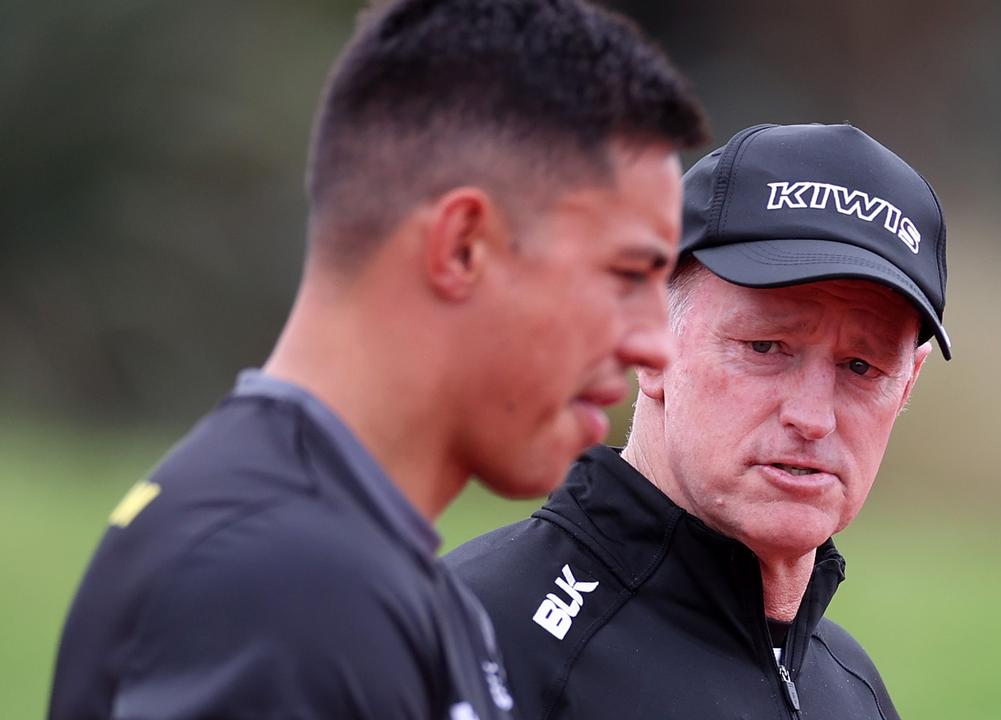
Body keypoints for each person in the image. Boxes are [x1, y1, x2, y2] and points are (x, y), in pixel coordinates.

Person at [49, 1, 707, 718]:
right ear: (462, 247)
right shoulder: (283, 580)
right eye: (625, 275)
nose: (653, 340)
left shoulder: (331, 560)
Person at [446, 122, 951, 720]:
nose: (812, 417)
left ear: (907, 384)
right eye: (766, 347)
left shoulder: (852, 692)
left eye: (862, 366)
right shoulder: (474, 644)